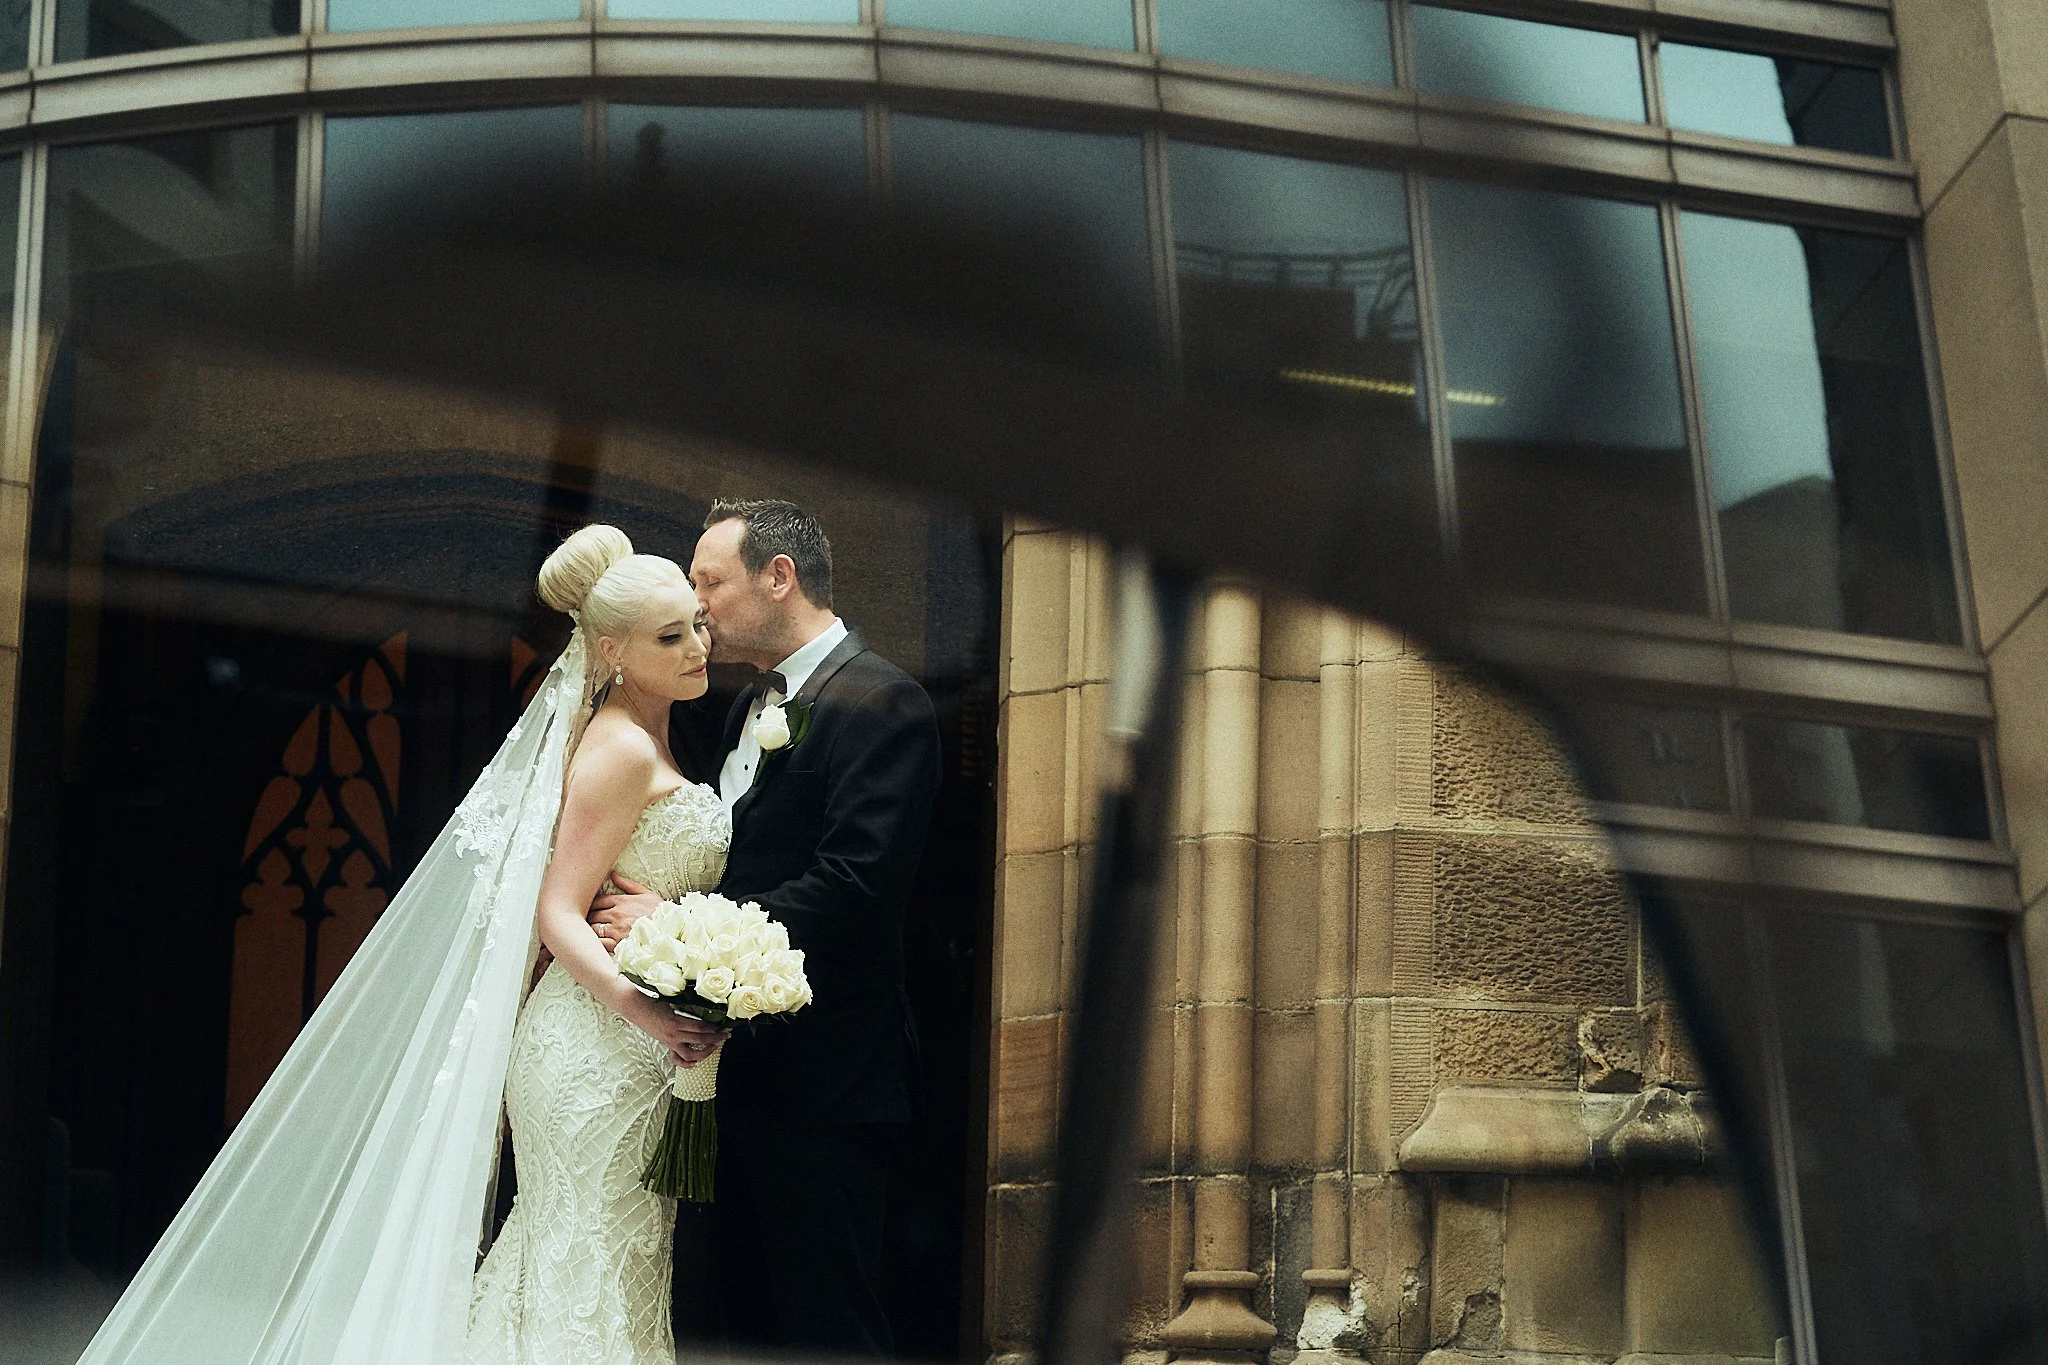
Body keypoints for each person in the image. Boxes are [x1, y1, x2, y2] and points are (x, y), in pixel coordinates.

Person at [69, 524, 732, 1365]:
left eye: (697, 626)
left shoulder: (649, 735)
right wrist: (652, 1011)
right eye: (670, 635)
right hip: (596, 1049)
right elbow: (558, 915)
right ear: (612, 649)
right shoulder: (622, 751)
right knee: (591, 1253)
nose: (696, 646)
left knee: (604, 1255)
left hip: (636, 1049)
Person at [594, 498, 942, 1356]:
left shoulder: (883, 701)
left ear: (778, 577)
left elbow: (854, 882)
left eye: (709, 581)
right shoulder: (729, 712)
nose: (697, 603)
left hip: (827, 1079)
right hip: (718, 1075)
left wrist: (673, 924)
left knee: (827, 1326)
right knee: (730, 1327)